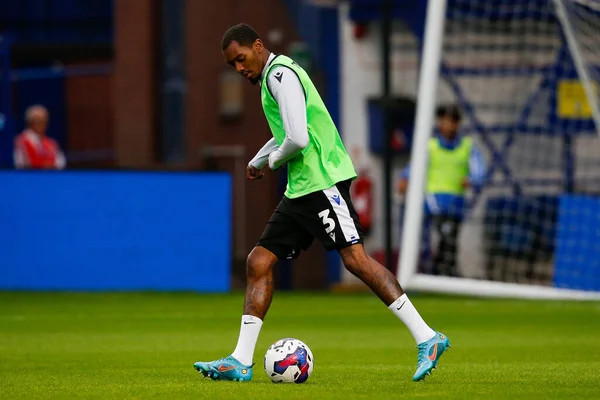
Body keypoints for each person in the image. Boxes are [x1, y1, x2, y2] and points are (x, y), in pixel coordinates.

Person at [193, 23, 450, 383]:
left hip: (321, 181)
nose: (239, 68)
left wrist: (271, 161)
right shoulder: (274, 77)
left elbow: (297, 140)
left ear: (257, 46)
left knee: (356, 260)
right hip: (301, 189)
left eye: (241, 58)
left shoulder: (280, 75)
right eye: (232, 65)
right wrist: (259, 156)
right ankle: (240, 360)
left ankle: (427, 337)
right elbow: (289, 133)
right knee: (259, 261)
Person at [398, 105, 486, 277]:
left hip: (457, 203)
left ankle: (442, 272)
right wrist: (405, 179)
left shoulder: (467, 147)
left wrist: (472, 180)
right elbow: (414, 166)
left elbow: (479, 171)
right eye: (445, 121)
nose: (449, 125)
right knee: (442, 237)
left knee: (450, 240)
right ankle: (439, 271)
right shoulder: (430, 146)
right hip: (433, 202)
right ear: (439, 123)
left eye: (453, 122)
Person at [13, 105, 66, 170]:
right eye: (38, 121)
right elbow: (21, 164)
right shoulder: (21, 141)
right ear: (30, 122)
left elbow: (60, 163)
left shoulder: (52, 143)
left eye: (44, 121)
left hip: (52, 177)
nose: (42, 125)